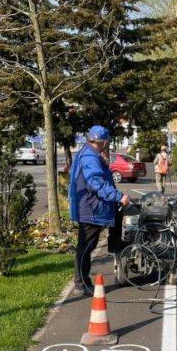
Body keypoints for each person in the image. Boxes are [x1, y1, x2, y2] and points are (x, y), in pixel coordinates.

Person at [69, 125, 130, 296]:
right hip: (91, 208)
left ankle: (114, 243)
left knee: (118, 213)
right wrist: (117, 196)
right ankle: (80, 284)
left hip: (94, 206)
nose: (107, 145)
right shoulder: (89, 156)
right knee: (86, 246)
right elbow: (95, 182)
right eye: (106, 142)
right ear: (102, 141)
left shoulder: (89, 153)